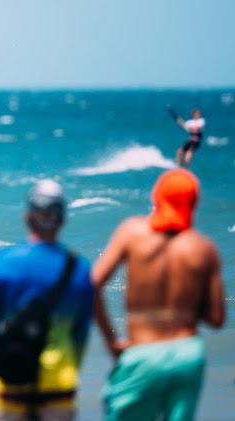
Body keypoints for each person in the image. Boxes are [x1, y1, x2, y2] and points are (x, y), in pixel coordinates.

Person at [92, 168, 225, 421]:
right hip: (188, 354)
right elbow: (216, 319)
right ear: (193, 203)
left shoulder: (131, 232)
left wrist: (111, 342)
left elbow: (93, 284)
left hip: (144, 352)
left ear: (157, 197)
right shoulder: (204, 248)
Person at [0, 180, 94, 421]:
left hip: (9, 382)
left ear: (27, 217)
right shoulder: (80, 270)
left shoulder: (3, 262)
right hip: (59, 385)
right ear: (62, 220)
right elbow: (80, 336)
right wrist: (71, 372)